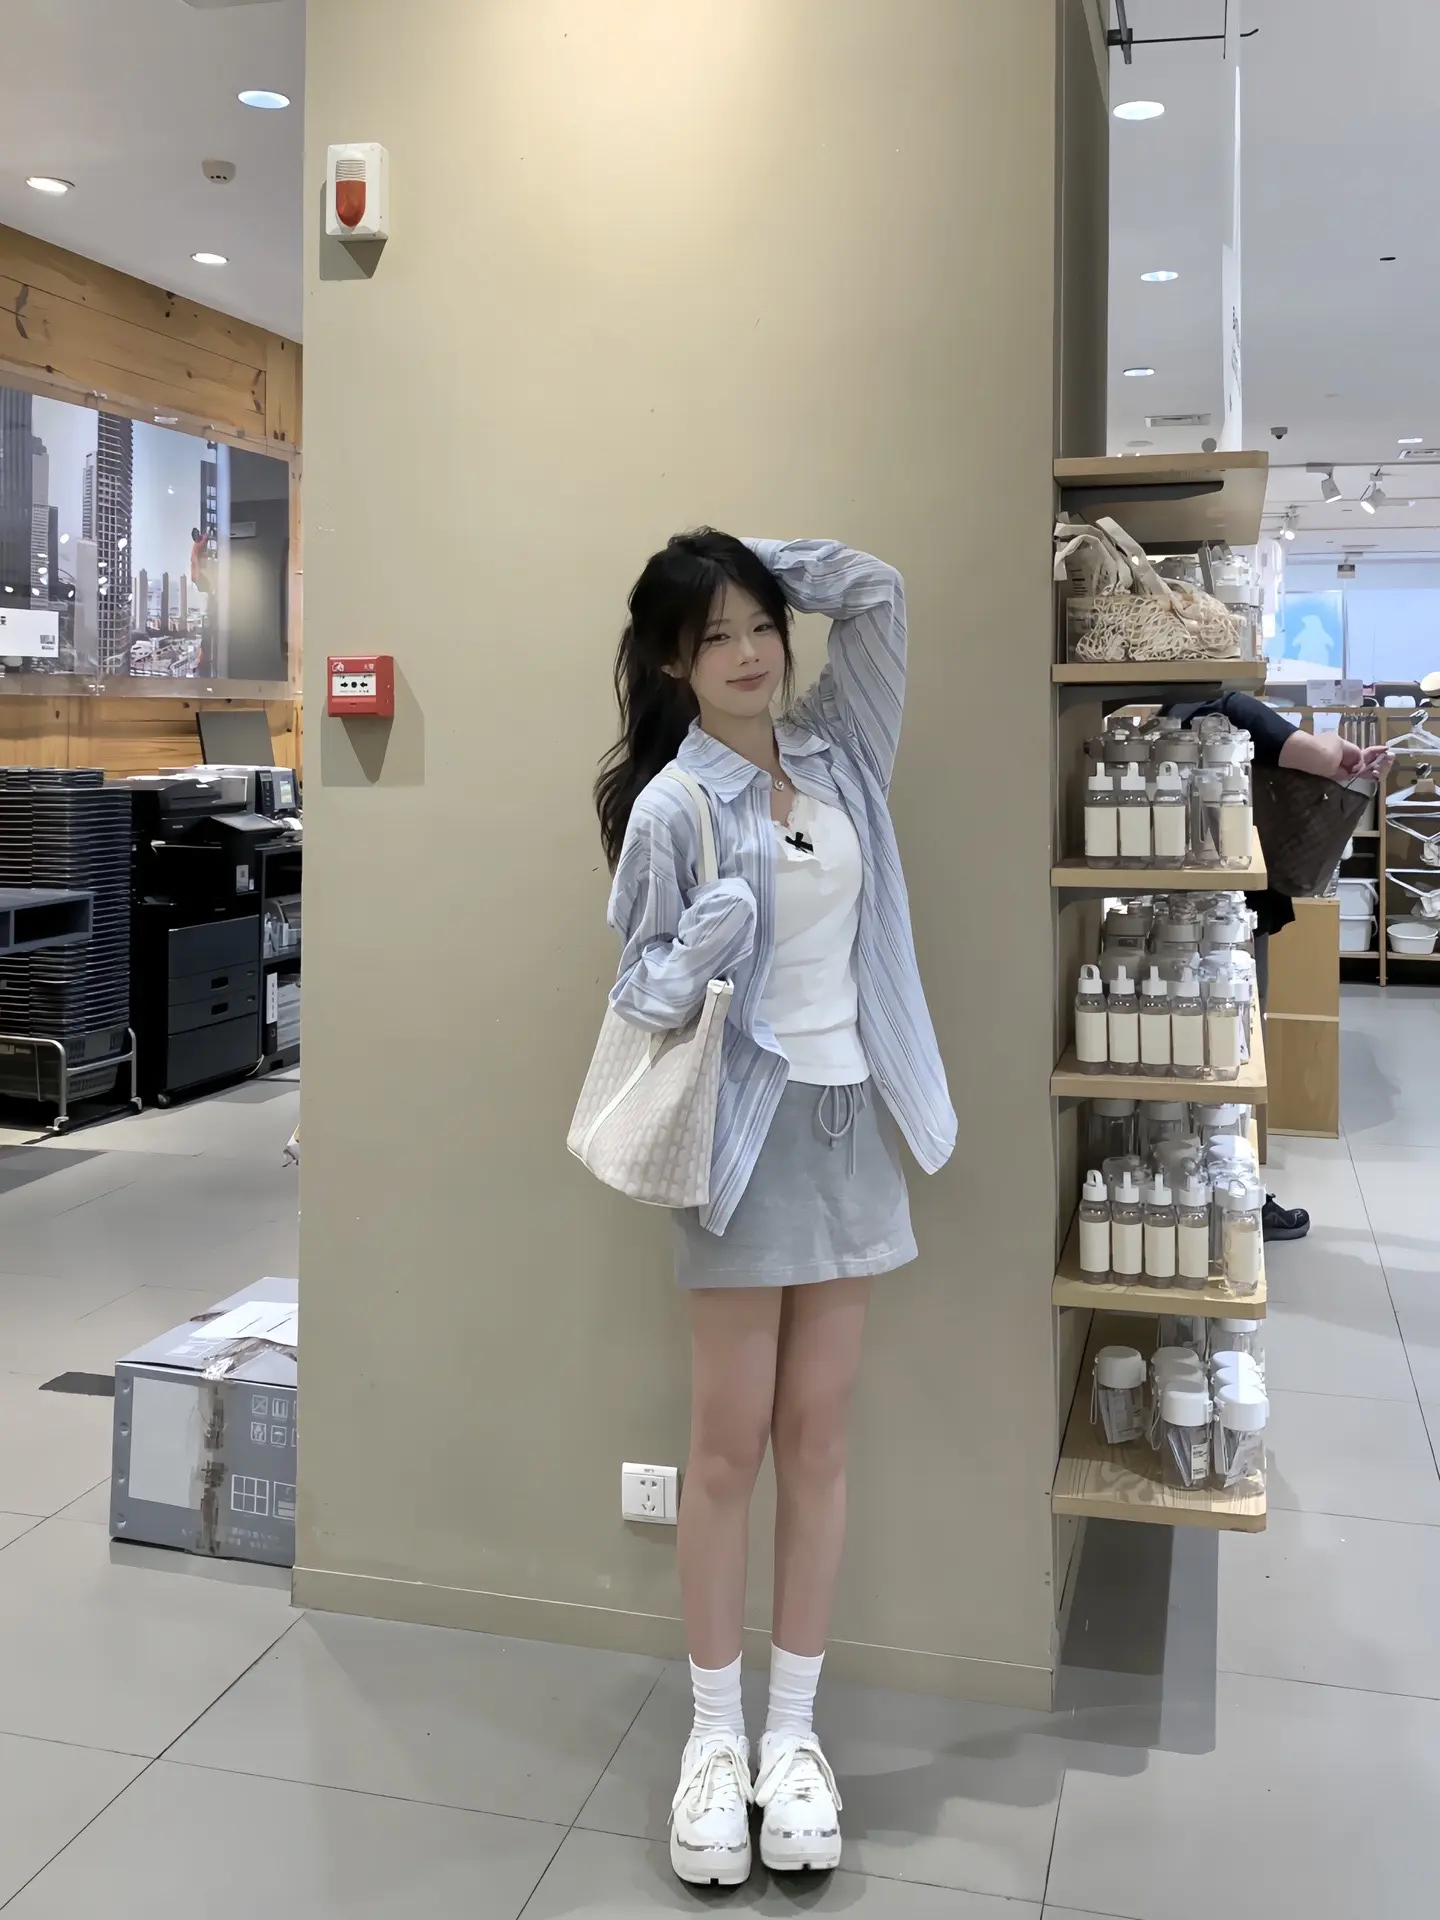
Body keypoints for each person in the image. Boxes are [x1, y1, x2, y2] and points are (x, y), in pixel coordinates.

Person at [595, 532, 955, 1885]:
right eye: (714, 635)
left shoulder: (840, 755)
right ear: (671, 662)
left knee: (820, 1440)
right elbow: (638, 995)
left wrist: (747, 558)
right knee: (725, 1449)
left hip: (850, 1120)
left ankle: (793, 1737)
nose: (750, 653)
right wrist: (700, 947)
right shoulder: (674, 805)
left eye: (761, 625)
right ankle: (713, 1739)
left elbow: (883, 592)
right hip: (742, 1140)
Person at [1165, 690, 1389, 1240]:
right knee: (1234, 1056)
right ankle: (1235, 1199)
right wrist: (1343, 750)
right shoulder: (1236, 711)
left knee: (1182, 1059)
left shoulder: (1166, 722)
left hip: (1175, 908)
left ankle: (1190, 1188)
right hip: (1235, 914)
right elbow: (1322, 754)